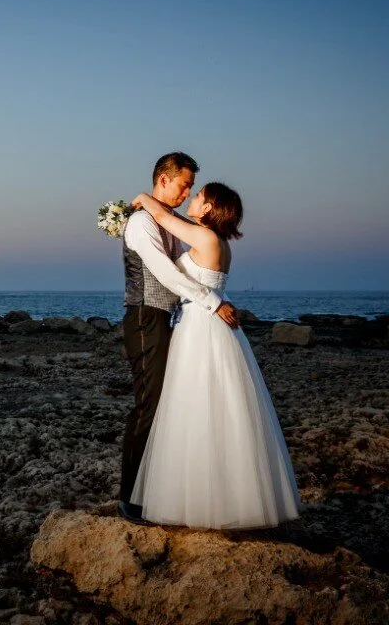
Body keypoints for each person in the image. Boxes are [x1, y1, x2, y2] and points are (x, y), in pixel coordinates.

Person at [128, 182, 301, 529]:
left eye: (198, 196)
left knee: (196, 406)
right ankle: (223, 497)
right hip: (206, 323)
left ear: (208, 208)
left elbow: (161, 215)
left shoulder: (204, 238)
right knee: (218, 408)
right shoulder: (217, 242)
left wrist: (143, 199)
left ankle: (202, 503)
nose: (192, 199)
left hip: (199, 326)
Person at [117, 152, 239, 525]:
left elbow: (176, 225)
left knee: (169, 405)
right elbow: (167, 276)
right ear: (164, 179)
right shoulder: (141, 224)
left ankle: (157, 490)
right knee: (150, 405)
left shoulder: (173, 223)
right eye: (184, 184)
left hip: (169, 321)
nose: (188, 193)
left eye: (192, 188)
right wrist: (212, 300)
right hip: (144, 318)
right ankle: (130, 497)